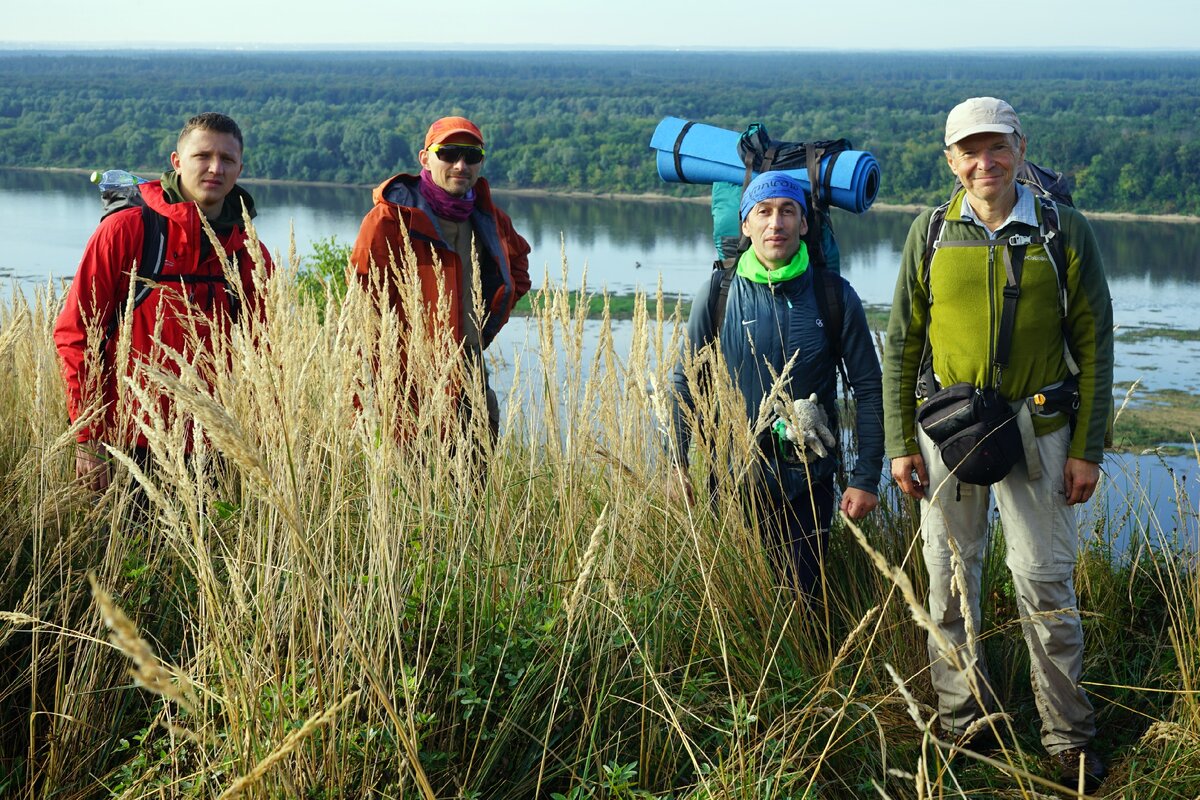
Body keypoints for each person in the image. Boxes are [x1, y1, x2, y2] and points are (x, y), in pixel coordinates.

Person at [883, 97, 1113, 790]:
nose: (985, 163)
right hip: (948, 432)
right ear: (950, 161)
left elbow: (1095, 343)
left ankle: (1066, 736)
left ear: (1019, 146)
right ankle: (965, 724)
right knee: (950, 583)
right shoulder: (928, 234)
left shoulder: (1061, 230)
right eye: (969, 151)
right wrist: (900, 442)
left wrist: (1087, 449)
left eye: (998, 147)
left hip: (1041, 430)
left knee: (1043, 582)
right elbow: (901, 345)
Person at [666, 171, 884, 599]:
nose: (776, 223)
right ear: (745, 225)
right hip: (730, 477)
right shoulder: (718, 293)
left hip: (809, 475)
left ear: (804, 223)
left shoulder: (834, 296)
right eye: (763, 212)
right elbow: (685, 380)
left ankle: (810, 663)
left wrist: (866, 477)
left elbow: (869, 388)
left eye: (788, 211)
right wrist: (676, 463)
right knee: (737, 600)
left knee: (803, 597)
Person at [55, 112, 273, 491]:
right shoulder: (129, 230)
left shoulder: (248, 251)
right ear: (176, 161)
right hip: (127, 443)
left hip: (215, 446)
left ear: (240, 168)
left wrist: (259, 434)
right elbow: (76, 332)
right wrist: (88, 437)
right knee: (129, 550)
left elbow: (265, 351)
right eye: (202, 156)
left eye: (227, 159)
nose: (215, 168)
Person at [350, 116, 531, 442]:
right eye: (448, 153)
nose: (461, 165)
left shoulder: (488, 217)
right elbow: (361, 304)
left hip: (469, 370)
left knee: (477, 483)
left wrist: (482, 329)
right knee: (411, 483)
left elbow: (516, 269)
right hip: (408, 375)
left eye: (472, 156)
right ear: (425, 158)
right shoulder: (391, 219)